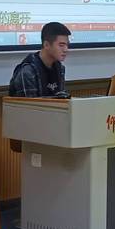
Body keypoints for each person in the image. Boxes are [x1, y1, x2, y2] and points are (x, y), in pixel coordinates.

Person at [8, 22, 71, 151]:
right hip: (31, 133)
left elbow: (62, 101)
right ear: (46, 45)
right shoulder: (28, 71)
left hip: (53, 126)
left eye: (67, 45)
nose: (66, 49)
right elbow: (31, 113)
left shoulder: (60, 68)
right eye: (61, 45)